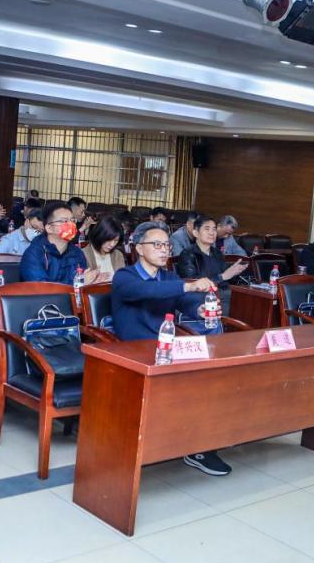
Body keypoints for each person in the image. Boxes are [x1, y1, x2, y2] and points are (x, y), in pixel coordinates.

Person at [111, 221, 229, 476]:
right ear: (139, 248)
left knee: (211, 374)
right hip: (135, 351)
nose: (164, 250)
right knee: (193, 384)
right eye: (157, 245)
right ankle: (190, 443)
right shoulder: (124, 276)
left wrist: (198, 309)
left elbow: (182, 300)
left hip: (166, 348)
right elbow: (148, 291)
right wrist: (189, 285)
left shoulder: (168, 276)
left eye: (166, 245)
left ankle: (199, 444)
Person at [176, 215, 248, 315]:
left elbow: (226, 279)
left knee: (249, 300)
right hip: (203, 299)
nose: (211, 233)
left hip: (223, 294)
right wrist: (223, 276)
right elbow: (193, 283)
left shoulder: (217, 253)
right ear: (196, 233)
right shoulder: (187, 254)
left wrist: (234, 272)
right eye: (207, 229)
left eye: (214, 229)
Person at [20, 201, 102, 285]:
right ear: (49, 228)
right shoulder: (33, 254)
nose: (70, 224)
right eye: (64, 221)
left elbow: (83, 282)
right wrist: (78, 283)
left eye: (72, 220)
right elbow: (42, 289)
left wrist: (92, 282)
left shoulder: (77, 253)